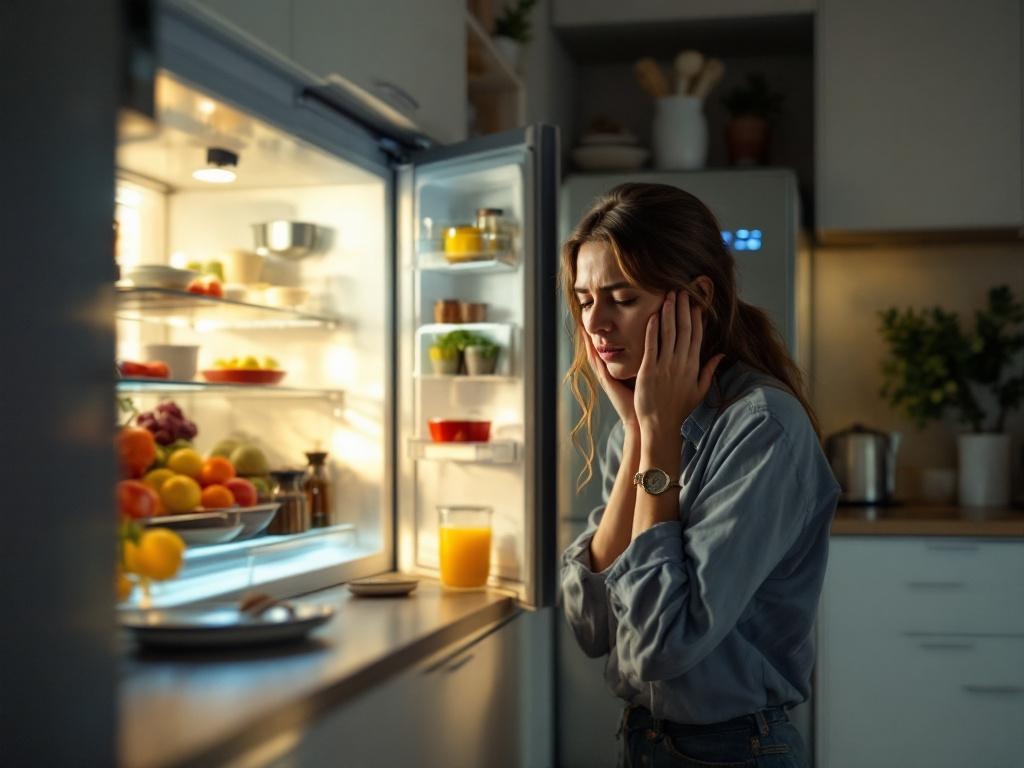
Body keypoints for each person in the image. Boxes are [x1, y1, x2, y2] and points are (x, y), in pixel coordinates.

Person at [559, 182, 840, 768]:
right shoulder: (633, 430)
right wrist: (639, 437)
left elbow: (661, 646)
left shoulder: (763, 428)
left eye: (623, 297)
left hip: (737, 750)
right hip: (641, 742)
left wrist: (657, 441)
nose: (597, 324)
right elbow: (590, 626)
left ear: (696, 298)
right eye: (585, 300)